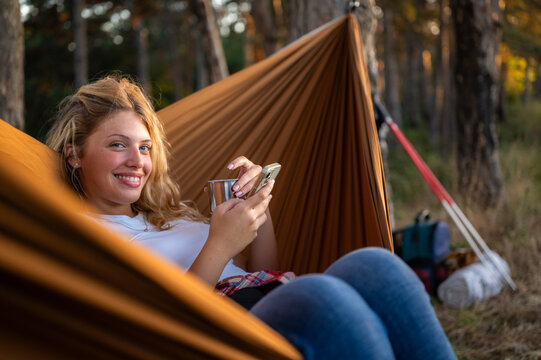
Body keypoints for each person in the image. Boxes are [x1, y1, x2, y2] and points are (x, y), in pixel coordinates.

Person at [47, 76, 456, 359]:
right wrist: (219, 244)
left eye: (145, 148)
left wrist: (258, 206)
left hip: (264, 300)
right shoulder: (80, 235)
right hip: (210, 339)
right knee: (325, 300)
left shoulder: (164, 218)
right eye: (118, 145)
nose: (137, 160)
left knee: (376, 265)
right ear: (74, 153)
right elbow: (156, 324)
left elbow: (264, 272)